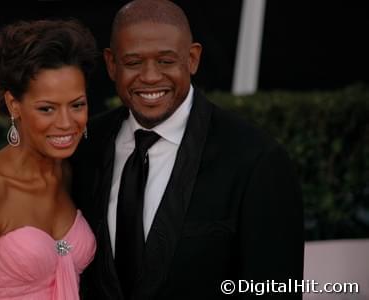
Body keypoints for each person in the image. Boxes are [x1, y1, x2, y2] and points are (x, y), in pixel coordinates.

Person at [71, 0, 304, 299]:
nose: (151, 76)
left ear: (192, 59)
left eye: (166, 61)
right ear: (111, 64)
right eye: (133, 62)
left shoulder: (256, 158)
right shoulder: (85, 146)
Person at [0, 19, 97, 300]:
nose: (66, 123)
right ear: (13, 105)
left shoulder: (67, 173)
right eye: (47, 109)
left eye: (77, 105)